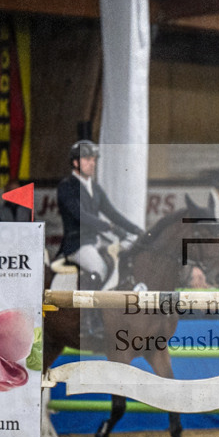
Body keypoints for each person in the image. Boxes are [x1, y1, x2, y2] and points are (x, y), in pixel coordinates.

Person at [56, 139, 143, 337]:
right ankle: (88, 320)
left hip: (94, 241)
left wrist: (136, 229)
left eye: (94, 159)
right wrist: (111, 228)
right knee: (100, 269)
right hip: (76, 243)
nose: (92, 163)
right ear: (76, 163)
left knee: (121, 261)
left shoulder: (95, 188)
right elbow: (81, 216)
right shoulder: (67, 187)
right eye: (87, 159)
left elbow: (112, 213)